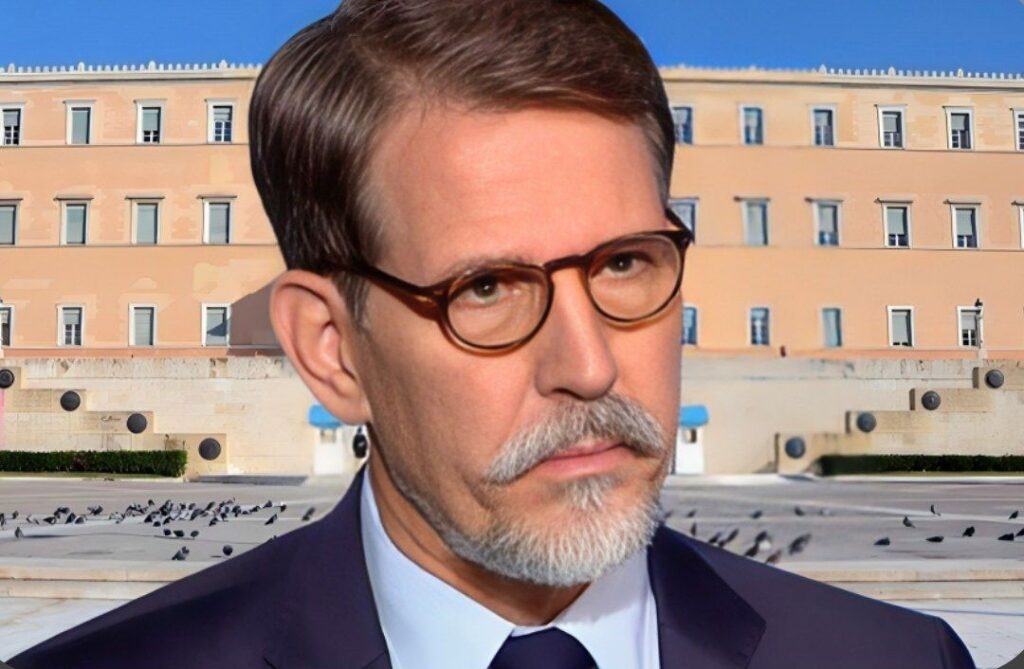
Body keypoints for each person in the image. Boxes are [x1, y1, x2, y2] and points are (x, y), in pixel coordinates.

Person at [10, 1, 975, 667]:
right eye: (485, 288)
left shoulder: (901, 657)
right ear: (333, 349)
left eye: (624, 263)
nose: (589, 365)